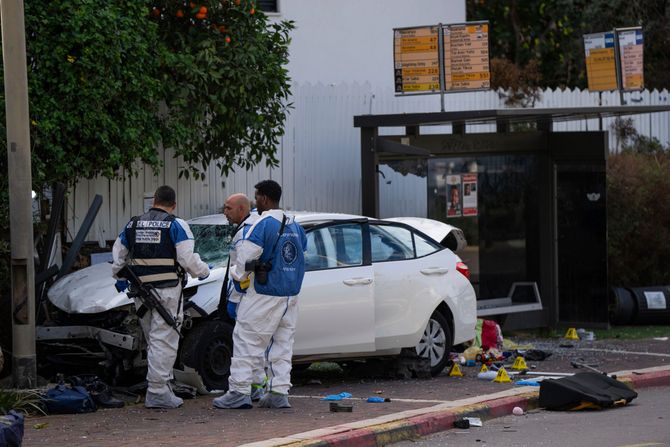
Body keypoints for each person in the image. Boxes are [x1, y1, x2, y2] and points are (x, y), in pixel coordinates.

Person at [112, 185, 210, 409]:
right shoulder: (176, 225)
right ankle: (157, 392)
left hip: (141, 294)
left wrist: (118, 275)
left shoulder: (132, 224)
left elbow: (118, 257)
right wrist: (203, 271)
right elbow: (187, 259)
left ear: (153, 200)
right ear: (173, 205)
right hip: (167, 292)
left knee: (153, 341)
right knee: (163, 341)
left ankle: (160, 388)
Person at [213, 180, 307, 410]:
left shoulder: (263, 223)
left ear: (264, 198)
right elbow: (301, 252)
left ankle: (238, 392)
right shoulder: (295, 224)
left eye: (257, 197)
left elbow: (245, 260)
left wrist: (237, 281)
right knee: (282, 345)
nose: (256, 202)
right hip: (290, 295)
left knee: (245, 340)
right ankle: (278, 392)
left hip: (264, 293)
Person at [220, 193, 266, 401]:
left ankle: (241, 391)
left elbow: (242, 270)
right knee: (253, 343)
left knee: (243, 342)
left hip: (248, 295)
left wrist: (235, 296)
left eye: (228, 208)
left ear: (241, 209)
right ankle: (257, 385)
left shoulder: (247, 231)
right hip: (251, 294)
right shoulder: (247, 227)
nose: (225, 212)